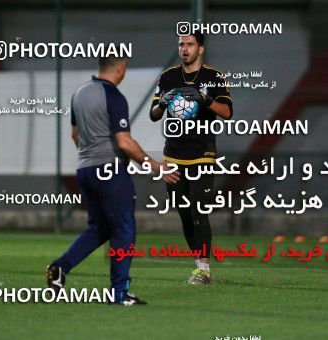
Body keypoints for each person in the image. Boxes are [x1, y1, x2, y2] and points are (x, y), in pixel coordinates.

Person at [46, 52, 180, 305]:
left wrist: (93, 157)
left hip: (85, 169)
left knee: (100, 228)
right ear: (121, 68)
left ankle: (59, 268)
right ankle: (119, 293)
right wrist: (155, 166)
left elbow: (76, 136)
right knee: (124, 228)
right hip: (109, 170)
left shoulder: (79, 94)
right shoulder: (113, 96)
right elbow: (124, 142)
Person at [150, 31, 233, 284]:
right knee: (184, 212)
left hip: (202, 154)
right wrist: (162, 104)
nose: (184, 49)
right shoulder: (168, 77)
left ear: (201, 49)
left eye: (190, 44)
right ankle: (198, 265)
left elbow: (227, 112)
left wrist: (205, 100)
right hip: (173, 156)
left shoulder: (214, 77)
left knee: (199, 208)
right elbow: (153, 115)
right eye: (181, 45)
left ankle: (205, 271)